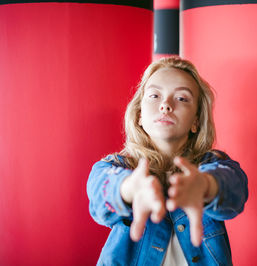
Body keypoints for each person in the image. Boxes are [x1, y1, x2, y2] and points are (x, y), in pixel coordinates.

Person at [87, 56, 248, 265]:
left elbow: (235, 187)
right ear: (139, 116)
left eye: (182, 98)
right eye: (154, 96)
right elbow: (100, 190)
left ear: (196, 121)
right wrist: (128, 189)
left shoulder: (214, 166)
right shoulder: (114, 167)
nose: (165, 105)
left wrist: (206, 185)